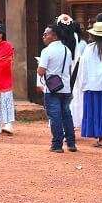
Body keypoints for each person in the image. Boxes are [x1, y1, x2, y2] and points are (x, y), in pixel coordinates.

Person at [36, 24, 76, 153]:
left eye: (46, 34)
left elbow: (41, 71)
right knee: (66, 115)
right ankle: (71, 143)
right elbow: (69, 69)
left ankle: (57, 144)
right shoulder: (67, 50)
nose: (44, 36)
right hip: (65, 87)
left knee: (55, 116)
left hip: (52, 88)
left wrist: (40, 66)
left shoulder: (46, 51)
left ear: (54, 36)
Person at [55, 14, 87, 129]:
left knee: (60, 97)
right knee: (75, 96)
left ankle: (63, 124)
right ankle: (75, 120)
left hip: (61, 73)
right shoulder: (81, 43)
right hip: (76, 73)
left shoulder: (58, 42)